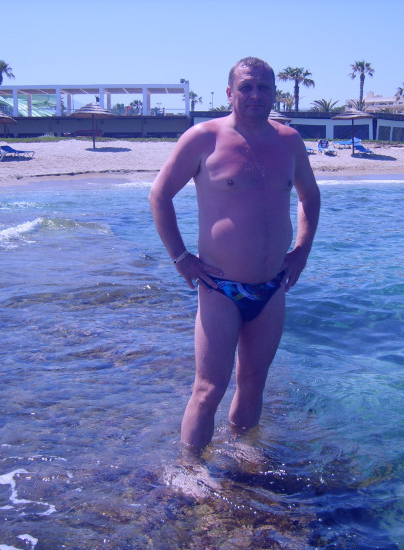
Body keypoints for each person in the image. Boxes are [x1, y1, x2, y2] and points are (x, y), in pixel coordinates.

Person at [149, 57, 320, 450]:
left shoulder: (289, 142)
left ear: (274, 93)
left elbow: (309, 197)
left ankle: (242, 457)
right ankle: (190, 468)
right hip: (219, 288)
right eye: (246, 87)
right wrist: (180, 258)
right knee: (208, 388)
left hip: (272, 286)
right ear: (230, 93)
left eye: (264, 87)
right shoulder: (203, 138)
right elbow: (159, 195)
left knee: (254, 381)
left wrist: (301, 252)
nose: (255, 94)